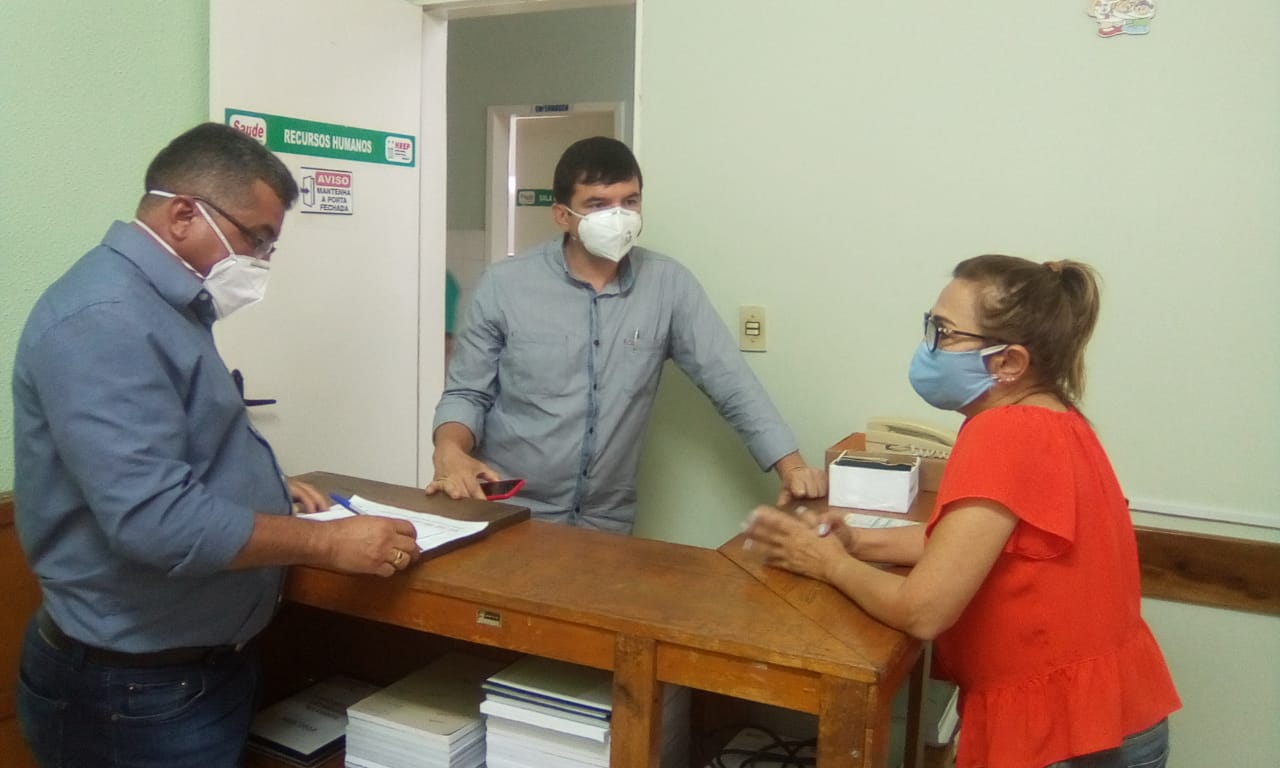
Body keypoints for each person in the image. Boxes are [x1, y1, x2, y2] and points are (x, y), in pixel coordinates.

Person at [12, 122, 421, 768]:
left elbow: (168, 445)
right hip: (134, 691)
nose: (261, 261)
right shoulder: (105, 319)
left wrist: (259, 486)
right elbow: (155, 521)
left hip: (185, 673)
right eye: (255, 239)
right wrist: (328, 544)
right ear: (183, 215)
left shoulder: (163, 305)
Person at [745, 255, 1180, 768]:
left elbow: (923, 611)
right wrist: (858, 542)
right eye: (930, 325)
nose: (929, 345)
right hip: (1110, 715)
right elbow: (966, 544)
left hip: (1067, 736)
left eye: (945, 333)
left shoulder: (1003, 434)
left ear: (1008, 363)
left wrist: (827, 563)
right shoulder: (1056, 419)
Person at [427, 136, 825, 533]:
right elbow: (467, 393)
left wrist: (792, 467)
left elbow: (731, 383)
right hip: (509, 506)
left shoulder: (668, 285)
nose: (617, 217)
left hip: (605, 518)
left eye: (629, 202)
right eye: (598, 205)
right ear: (562, 215)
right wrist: (449, 449)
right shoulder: (504, 285)